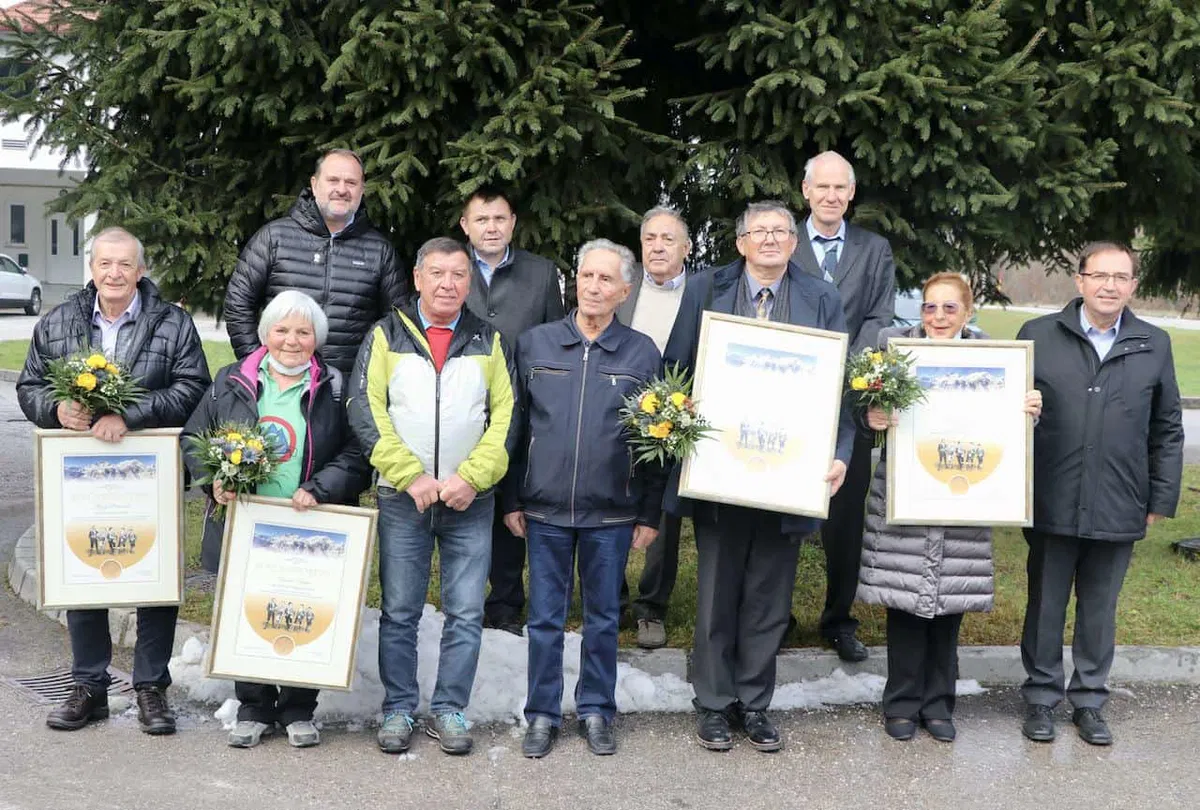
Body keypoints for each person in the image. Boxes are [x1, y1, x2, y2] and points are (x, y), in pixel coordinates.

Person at [661, 201, 855, 753]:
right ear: (741, 242)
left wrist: (838, 452)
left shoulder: (822, 298)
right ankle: (715, 705)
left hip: (788, 474)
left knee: (770, 597)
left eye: (780, 232)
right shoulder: (705, 289)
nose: (770, 240)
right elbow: (674, 368)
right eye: (759, 231)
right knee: (718, 592)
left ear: (794, 244)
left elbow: (836, 386)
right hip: (719, 471)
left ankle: (755, 704)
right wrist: (683, 414)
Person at [17, 226, 211, 735]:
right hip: (81, 475)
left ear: (141, 270)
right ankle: (89, 686)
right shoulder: (59, 322)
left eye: (125, 264)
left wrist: (132, 415)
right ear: (92, 267)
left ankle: (151, 688)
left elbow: (195, 388)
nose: (115, 273)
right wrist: (57, 408)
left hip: (149, 471)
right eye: (105, 263)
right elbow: (29, 386)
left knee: (155, 575)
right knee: (83, 565)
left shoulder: (173, 325)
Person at [347, 237, 515, 757]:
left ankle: (449, 708)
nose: (448, 284)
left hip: (471, 499)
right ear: (417, 278)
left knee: (465, 611)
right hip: (404, 498)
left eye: (459, 275)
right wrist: (411, 476)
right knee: (400, 609)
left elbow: (507, 418)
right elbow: (365, 410)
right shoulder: (385, 335)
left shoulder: (490, 340)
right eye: (437, 273)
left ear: (471, 283)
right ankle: (398, 706)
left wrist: (472, 477)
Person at [857, 272, 1043, 743]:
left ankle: (939, 705)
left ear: (968, 310)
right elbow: (864, 416)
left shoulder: (996, 359)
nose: (938, 317)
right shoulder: (894, 347)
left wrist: (1029, 412)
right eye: (929, 307)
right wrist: (872, 416)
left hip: (965, 495)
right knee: (904, 607)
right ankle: (900, 704)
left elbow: (1008, 432)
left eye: (949, 308)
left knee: (948, 608)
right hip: (906, 494)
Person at [182, 290, 370, 749]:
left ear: (316, 339)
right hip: (246, 523)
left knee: (302, 606)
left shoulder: (336, 387)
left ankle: (299, 708)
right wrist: (214, 481)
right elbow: (194, 436)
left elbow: (357, 453)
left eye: (303, 332)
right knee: (250, 609)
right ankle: (253, 706)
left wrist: (319, 488)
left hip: (309, 523)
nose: (291, 340)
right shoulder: (232, 379)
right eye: (282, 330)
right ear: (265, 333)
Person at [1016, 242, 1183, 746]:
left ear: (1133, 286)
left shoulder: (1155, 343)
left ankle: (1089, 700)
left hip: (1120, 498)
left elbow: (1167, 427)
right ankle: (1041, 698)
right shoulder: (1038, 335)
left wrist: (1160, 498)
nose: (1110, 285)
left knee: (1098, 607)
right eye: (1100, 275)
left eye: (1121, 277)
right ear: (1080, 280)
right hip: (1050, 496)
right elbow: (1004, 413)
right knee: (1045, 603)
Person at [503, 239, 663, 759]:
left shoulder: (642, 353)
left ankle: (596, 709)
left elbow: (658, 441)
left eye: (605, 280)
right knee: (545, 618)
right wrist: (511, 498)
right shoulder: (536, 344)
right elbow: (512, 425)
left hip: (611, 512)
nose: (593, 287)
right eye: (586, 276)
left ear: (625, 289)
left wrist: (649, 512)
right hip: (544, 508)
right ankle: (543, 714)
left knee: (602, 619)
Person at [790, 150, 896, 662]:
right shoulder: (782, 241)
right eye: (822, 187)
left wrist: (846, 367)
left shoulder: (874, 250)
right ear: (806, 192)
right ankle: (776, 615)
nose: (831, 197)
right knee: (782, 507)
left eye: (840, 188)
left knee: (845, 519)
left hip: (850, 400)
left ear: (851, 194)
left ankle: (839, 618)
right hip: (790, 395)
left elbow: (879, 316)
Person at [457, 185, 566, 637]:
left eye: (499, 219)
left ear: (513, 223)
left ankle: (504, 602)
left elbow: (554, 339)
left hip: (518, 408)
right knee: (462, 503)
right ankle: (459, 596)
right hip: (459, 407)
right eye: (481, 220)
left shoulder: (541, 274)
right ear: (466, 226)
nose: (491, 227)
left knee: (509, 506)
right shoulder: (450, 268)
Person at [223, 148, 409, 374]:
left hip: (348, 390)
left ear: (362, 189)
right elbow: (237, 303)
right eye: (333, 180)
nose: (342, 190)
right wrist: (258, 364)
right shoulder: (274, 238)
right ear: (314, 184)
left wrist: (368, 378)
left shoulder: (380, 251)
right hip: (280, 384)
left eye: (351, 182)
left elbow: (397, 323)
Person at [615, 206, 692, 650]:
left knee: (663, 511)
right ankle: (613, 599)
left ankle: (652, 607)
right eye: (650, 239)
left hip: (676, 416)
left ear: (686, 247)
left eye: (668, 239)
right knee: (610, 503)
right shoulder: (623, 289)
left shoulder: (703, 291)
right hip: (619, 415)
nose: (658, 247)